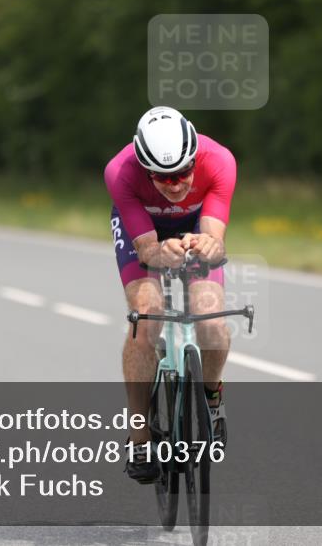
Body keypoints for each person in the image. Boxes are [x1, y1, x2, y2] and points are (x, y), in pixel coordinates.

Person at [105, 106, 236, 483]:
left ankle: (211, 401)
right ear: (145, 168)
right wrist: (160, 251)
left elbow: (213, 237)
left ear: (195, 156)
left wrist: (207, 246)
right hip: (144, 228)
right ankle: (140, 436)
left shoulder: (220, 161)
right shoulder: (120, 171)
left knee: (210, 315)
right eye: (164, 177)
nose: (176, 184)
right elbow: (146, 250)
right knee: (146, 316)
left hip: (195, 223)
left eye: (183, 172)